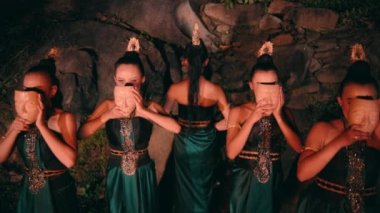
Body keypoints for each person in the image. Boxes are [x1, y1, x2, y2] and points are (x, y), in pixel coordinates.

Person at [79, 37, 180, 213]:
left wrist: (143, 112)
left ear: (142, 80)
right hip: (116, 168)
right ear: (114, 80)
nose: (126, 85)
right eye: (121, 81)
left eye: (132, 81)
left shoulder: (149, 106)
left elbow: (176, 128)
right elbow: (82, 133)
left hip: (142, 169)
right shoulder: (108, 105)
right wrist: (107, 116)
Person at [297, 44, 380, 213]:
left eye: (367, 101)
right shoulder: (325, 129)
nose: (360, 107)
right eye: (352, 101)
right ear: (340, 102)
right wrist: (341, 141)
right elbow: (302, 174)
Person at [226, 42, 302, 213]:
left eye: (272, 85)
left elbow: (299, 148)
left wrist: (278, 116)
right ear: (251, 85)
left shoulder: (285, 113)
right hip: (244, 180)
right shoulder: (239, 111)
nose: (266, 91)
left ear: (279, 87)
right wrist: (252, 119)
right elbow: (231, 152)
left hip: (272, 180)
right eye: (261, 85)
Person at [0, 52, 79, 213]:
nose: (30, 94)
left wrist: (42, 126)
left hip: (57, 191)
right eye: (27, 89)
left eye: (37, 90)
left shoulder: (63, 118)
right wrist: (14, 130)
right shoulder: (21, 119)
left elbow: (70, 161)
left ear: (52, 91)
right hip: (30, 189)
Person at [164, 24, 229, 212]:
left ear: (184, 61)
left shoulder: (175, 90)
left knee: (183, 183)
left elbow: (164, 116)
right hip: (207, 141)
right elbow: (231, 119)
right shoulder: (215, 91)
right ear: (206, 62)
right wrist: (215, 127)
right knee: (204, 183)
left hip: (183, 139)